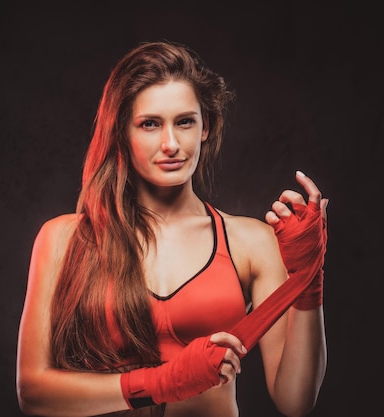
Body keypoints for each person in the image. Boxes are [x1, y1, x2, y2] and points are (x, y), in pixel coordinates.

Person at [16, 40, 328, 417]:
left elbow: (294, 401)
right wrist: (165, 382)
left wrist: (307, 279)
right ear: (122, 133)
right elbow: (32, 391)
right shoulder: (65, 239)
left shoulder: (250, 242)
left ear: (205, 127)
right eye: (150, 124)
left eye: (185, 122)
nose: (171, 144)